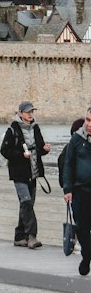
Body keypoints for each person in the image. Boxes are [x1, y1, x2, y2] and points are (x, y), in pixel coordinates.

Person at [0, 100, 51, 248]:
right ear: (20, 113)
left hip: (33, 172)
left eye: (32, 111)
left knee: (26, 205)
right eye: (28, 112)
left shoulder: (36, 128)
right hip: (19, 174)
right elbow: (5, 151)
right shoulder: (12, 130)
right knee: (27, 202)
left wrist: (45, 149)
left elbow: (40, 148)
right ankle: (32, 236)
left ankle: (18, 236)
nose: (31, 114)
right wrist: (21, 155)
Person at [61, 105, 91, 277]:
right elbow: (68, 165)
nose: (89, 124)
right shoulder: (76, 139)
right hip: (80, 192)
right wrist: (67, 189)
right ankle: (86, 256)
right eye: (87, 120)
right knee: (82, 228)